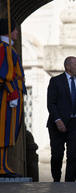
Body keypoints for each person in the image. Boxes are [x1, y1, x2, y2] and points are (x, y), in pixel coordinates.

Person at [47, 56, 76, 182]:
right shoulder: (56, 81)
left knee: (73, 155)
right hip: (57, 124)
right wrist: (57, 120)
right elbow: (51, 103)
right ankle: (56, 180)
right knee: (57, 155)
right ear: (68, 66)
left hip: (75, 123)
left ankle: (70, 183)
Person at [0, 18, 26, 178]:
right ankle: (1, 165)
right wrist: (13, 93)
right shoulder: (4, 49)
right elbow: (4, 76)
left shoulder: (9, 49)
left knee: (9, 131)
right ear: (8, 31)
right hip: (7, 97)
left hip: (11, 96)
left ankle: (4, 164)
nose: (16, 32)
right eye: (14, 29)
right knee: (4, 131)